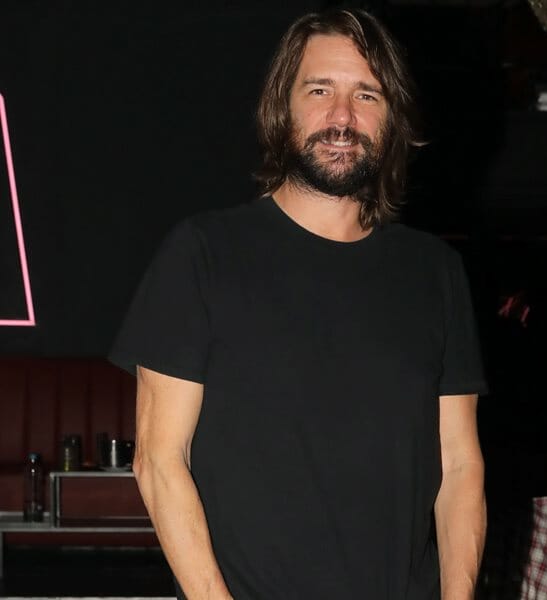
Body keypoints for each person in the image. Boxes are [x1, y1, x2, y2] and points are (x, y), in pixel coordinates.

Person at [110, 8, 487, 600]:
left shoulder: (435, 271)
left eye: (367, 95)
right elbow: (159, 461)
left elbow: (460, 465)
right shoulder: (203, 253)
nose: (343, 117)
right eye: (320, 90)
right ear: (282, 108)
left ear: (392, 119)